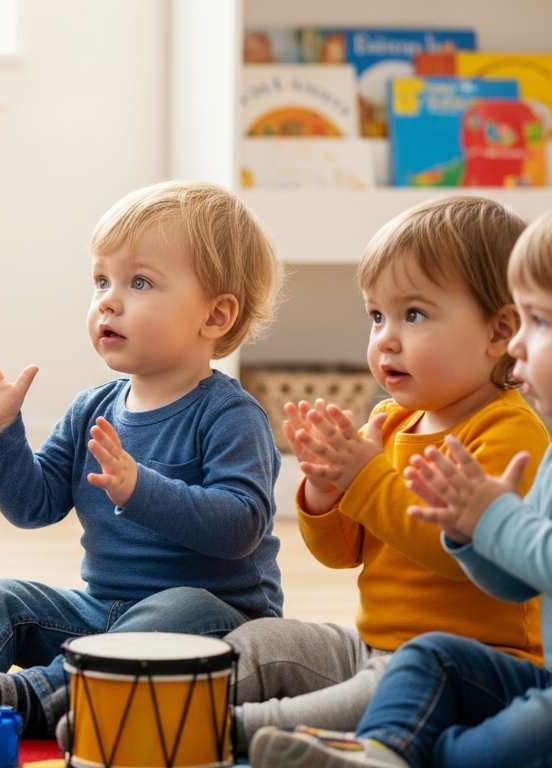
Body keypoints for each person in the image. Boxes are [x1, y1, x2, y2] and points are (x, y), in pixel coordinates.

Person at [0, 180, 285, 738]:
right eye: (102, 280)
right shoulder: (94, 408)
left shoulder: (230, 415)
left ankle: (32, 696)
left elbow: (241, 527)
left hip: (217, 621)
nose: (108, 299)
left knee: (179, 606)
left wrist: (137, 488)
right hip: (105, 609)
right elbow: (34, 507)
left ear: (216, 316)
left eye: (140, 282)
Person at [226, 197, 545, 749]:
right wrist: (327, 493)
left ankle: (214, 731)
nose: (385, 339)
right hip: (372, 645)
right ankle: (156, 691)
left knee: (342, 701)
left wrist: (366, 478)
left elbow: (459, 555)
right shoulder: (391, 421)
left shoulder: (509, 435)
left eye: (413, 315)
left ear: (499, 334)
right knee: (262, 643)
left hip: (462, 666)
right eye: (376, 316)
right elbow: (341, 553)